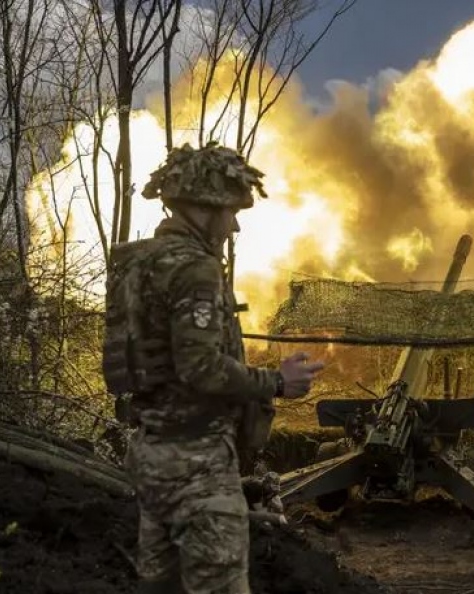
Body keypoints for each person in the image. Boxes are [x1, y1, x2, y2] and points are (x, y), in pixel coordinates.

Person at [114, 142, 325, 594]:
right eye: (230, 211)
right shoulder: (195, 269)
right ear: (204, 208)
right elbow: (201, 367)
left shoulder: (138, 264)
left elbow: (158, 361)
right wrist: (277, 381)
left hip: (152, 454)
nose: (234, 224)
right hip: (199, 465)